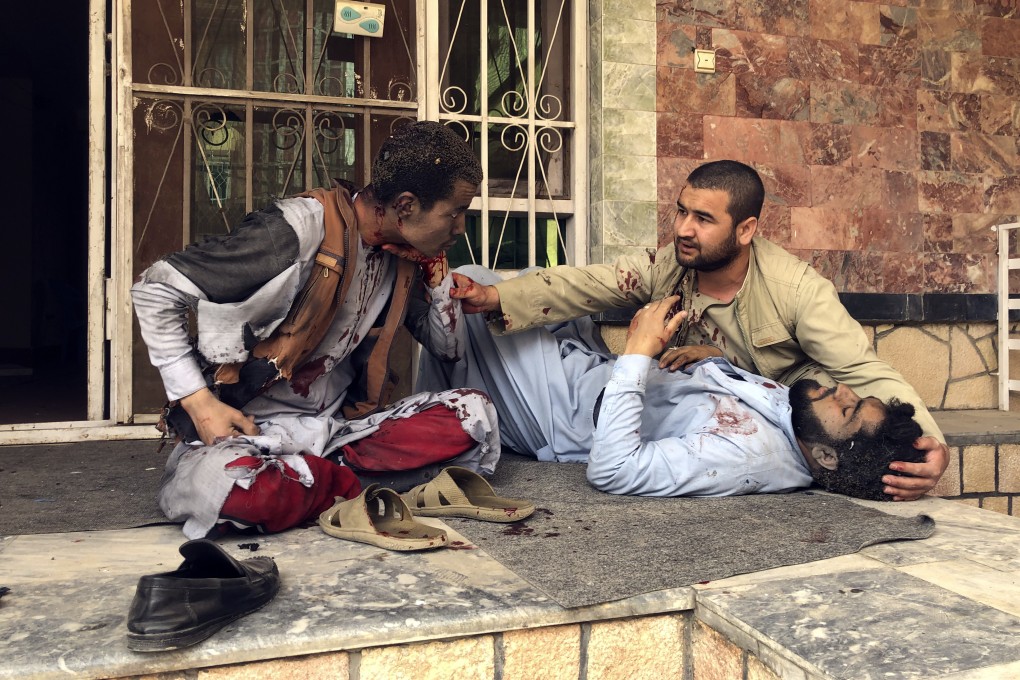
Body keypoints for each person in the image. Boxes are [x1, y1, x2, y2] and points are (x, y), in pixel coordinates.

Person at [447, 160, 947, 501]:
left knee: (471, 308)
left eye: (703, 219)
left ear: (745, 230)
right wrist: (495, 299)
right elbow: (596, 284)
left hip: (651, 416)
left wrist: (931, 444)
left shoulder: (798, 292)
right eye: (682, 211)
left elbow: (863, 370)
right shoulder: (675, 262)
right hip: (660, 394)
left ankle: (456, 424)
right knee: (524, 291)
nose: (684, 228)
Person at [132, 121, 500, 539]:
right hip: (248, 433)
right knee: (229, 485)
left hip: (338, 433)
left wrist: (437, 278)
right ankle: (353, 487)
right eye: (455, 212)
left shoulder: (404, 255)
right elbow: (154, 289)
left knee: (474, 415)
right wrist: (200, 406)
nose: (460, 227)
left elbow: (447, 349)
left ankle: (314, 482)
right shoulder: (299, 227)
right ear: (406, 205)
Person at [418, 269, 924, 500]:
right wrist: (718, 364)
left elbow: (613, 469)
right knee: (524, 288)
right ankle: (451, 386)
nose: (842, 391)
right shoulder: (801, 425)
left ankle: (437, 404)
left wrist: (639, 352)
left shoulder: (743, 457)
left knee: (470, 287)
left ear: (829, 458)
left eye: (849, 410)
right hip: (597, 372)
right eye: (856, 396)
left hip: (562, 411)